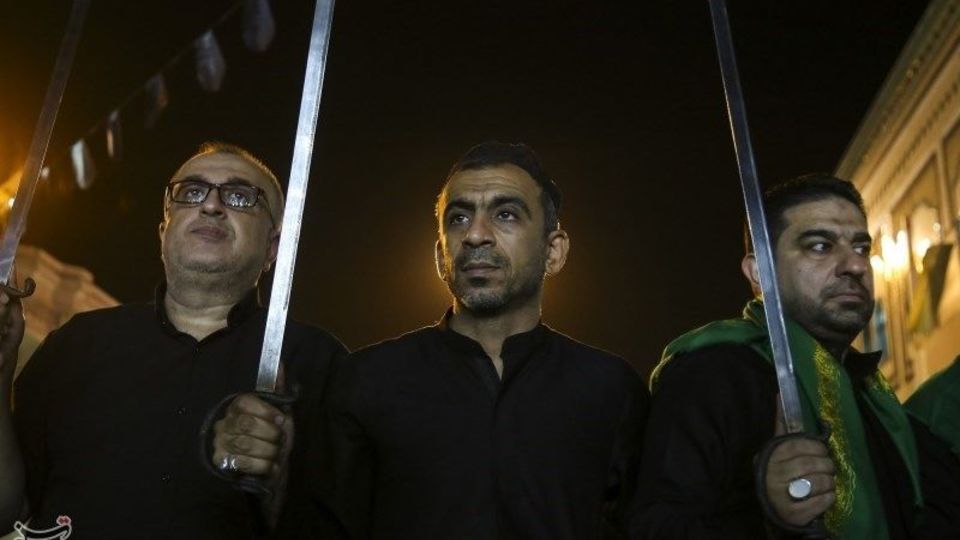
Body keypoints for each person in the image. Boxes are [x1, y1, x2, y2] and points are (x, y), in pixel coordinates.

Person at [213, 141, 649, 538]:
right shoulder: (367, 380)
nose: (475, 235)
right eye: (459, 218)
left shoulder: (610, 388)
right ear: (441, 256)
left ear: (553, 251)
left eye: (506, 214)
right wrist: (277, 479)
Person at [0, 142, 346, 540]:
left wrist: (278, 481)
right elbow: (7, 513)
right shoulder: (77, 343)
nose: (211, 205)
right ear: (164, 232)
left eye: (240, 196)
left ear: (273, 247)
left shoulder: (320, 364)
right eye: (192, 191)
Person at [630, 174, 932, 538]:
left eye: (861, 248)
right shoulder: (714, 372)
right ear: (760, 272)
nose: (854, 265)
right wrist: (769, 517)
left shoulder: (874, 397)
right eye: (820, 246)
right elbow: (654, 528)